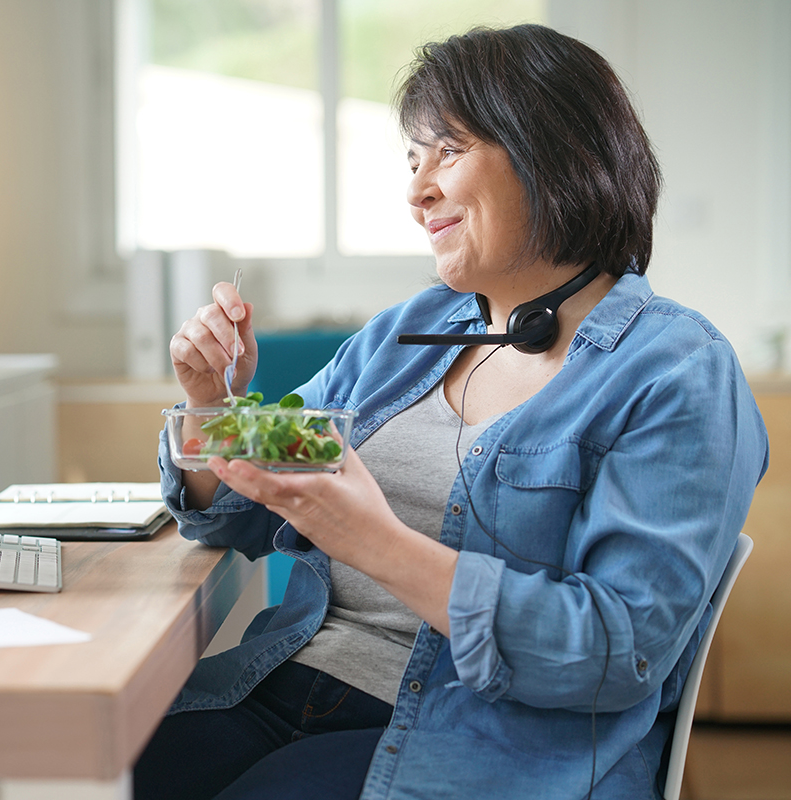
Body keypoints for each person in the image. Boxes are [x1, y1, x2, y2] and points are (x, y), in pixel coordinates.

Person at [133, 23, 769, 800]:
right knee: (92, 767)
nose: (416, 189)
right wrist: (213, 407)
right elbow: (236, 516)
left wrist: (377, 543)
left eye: (449, 150)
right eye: (411, 158)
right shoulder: (405, 334)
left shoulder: (676, 371)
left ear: (556, 153)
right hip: (279, 684)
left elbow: (616, 650)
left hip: (473, 746)